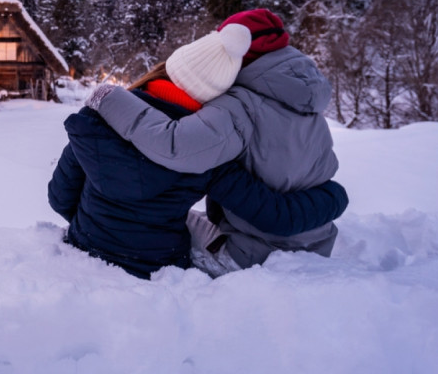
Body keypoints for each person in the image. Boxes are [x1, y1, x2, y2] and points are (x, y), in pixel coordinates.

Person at [49, 24, 348, 279]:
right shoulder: (206, 149)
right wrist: (334, 197)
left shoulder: (98, 122)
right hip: (159, 266)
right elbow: (270, 214)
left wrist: (98, 224)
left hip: (85, 245)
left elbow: (60, 197)